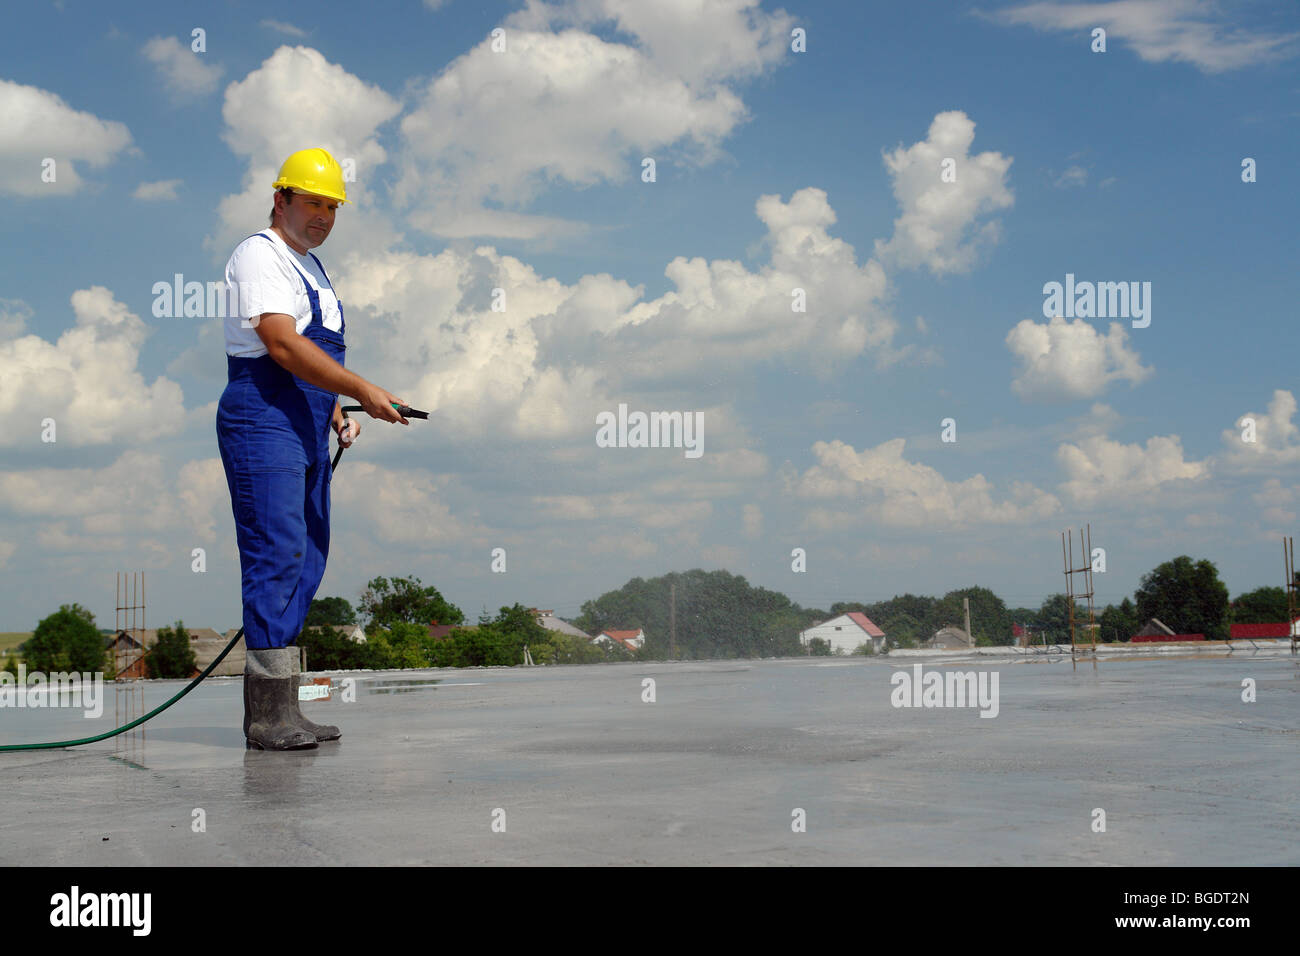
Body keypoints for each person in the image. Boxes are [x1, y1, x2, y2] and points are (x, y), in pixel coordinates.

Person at [217, 147, 409, 750]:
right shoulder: (260, 255)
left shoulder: (314, 269)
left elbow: (313, 358)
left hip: (302, 418)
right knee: (275, 551)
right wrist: (361, 389)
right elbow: (279, 344)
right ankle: (265, 717)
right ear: (281, 199)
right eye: (312, 202)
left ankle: (287, 707)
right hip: (261, 415)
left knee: (307, 554)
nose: (323, 215)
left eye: (332, 206)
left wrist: (334, 410)